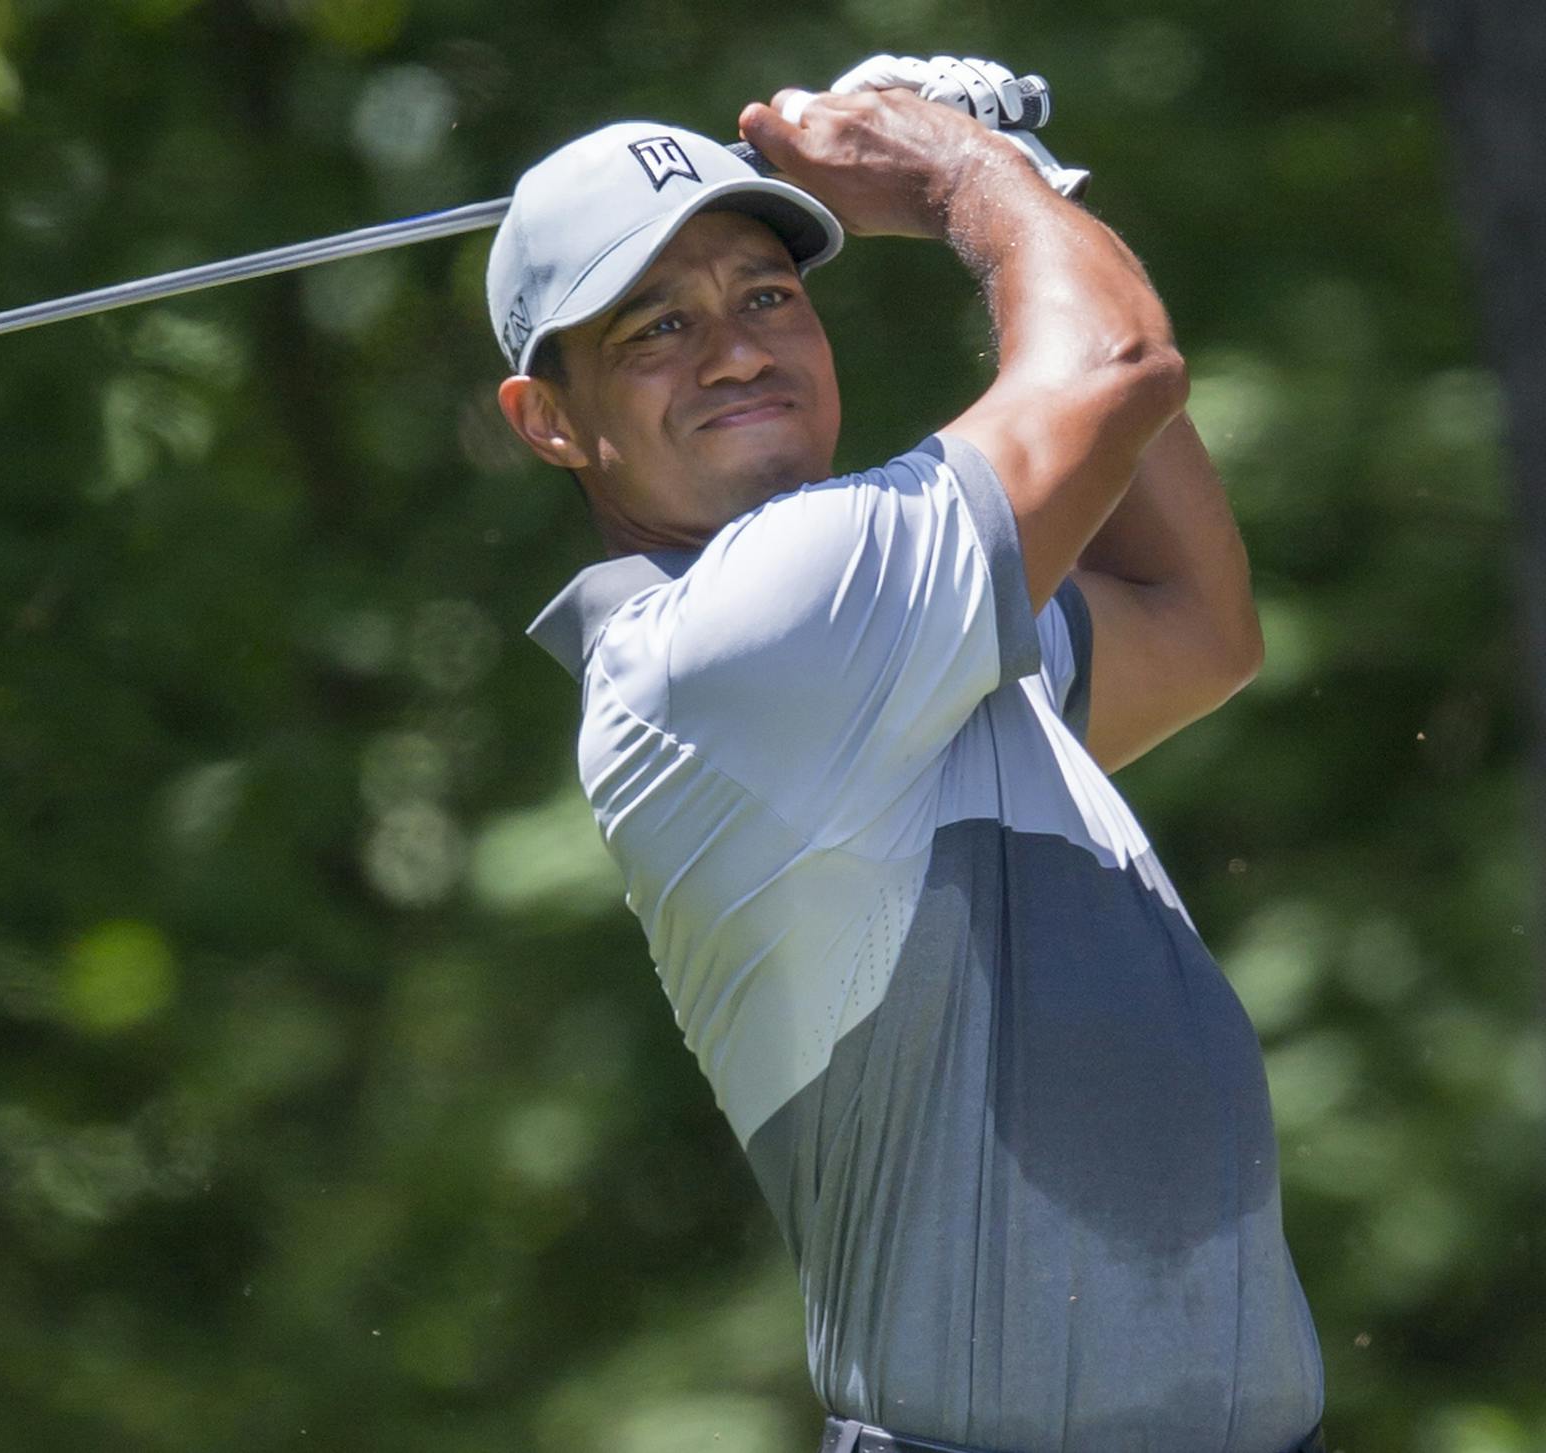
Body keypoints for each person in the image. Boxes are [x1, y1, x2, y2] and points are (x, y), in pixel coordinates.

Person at [485, 62, 1326, 1453]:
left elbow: (1196, 623)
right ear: (551, 422)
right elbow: (1116, 369)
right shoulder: (746, 638)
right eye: (657, 328)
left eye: (767, 297)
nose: (736, 352)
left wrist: (1020, 186)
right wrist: (959, 174)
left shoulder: (887, 635)